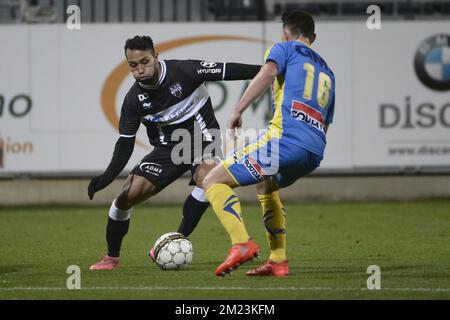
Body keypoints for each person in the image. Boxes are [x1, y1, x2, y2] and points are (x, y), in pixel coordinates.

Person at [88, 35, 261, 270]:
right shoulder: (133, 100)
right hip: (168, 149)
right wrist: (108, 176)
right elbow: (125, 143)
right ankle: (111, 258)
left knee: (208, 181)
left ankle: (179, 238)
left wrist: (269, 71)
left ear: (156, 56)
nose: (140, 69)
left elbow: (228, 70)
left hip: (204, 140)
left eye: (144, 61)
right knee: (126, 196)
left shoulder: (185, 70)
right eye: (133, 65)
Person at [202, 10, 336, 276]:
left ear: (285, 34)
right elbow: (326, 121)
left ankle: (241, 244)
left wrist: (238, 110)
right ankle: (278, 261)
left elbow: (267, 73)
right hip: (314, 150)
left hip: (285, 142)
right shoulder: (328, 72)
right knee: (266, 184)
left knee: (212, 180)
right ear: (314, 37)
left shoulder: (285, 49)